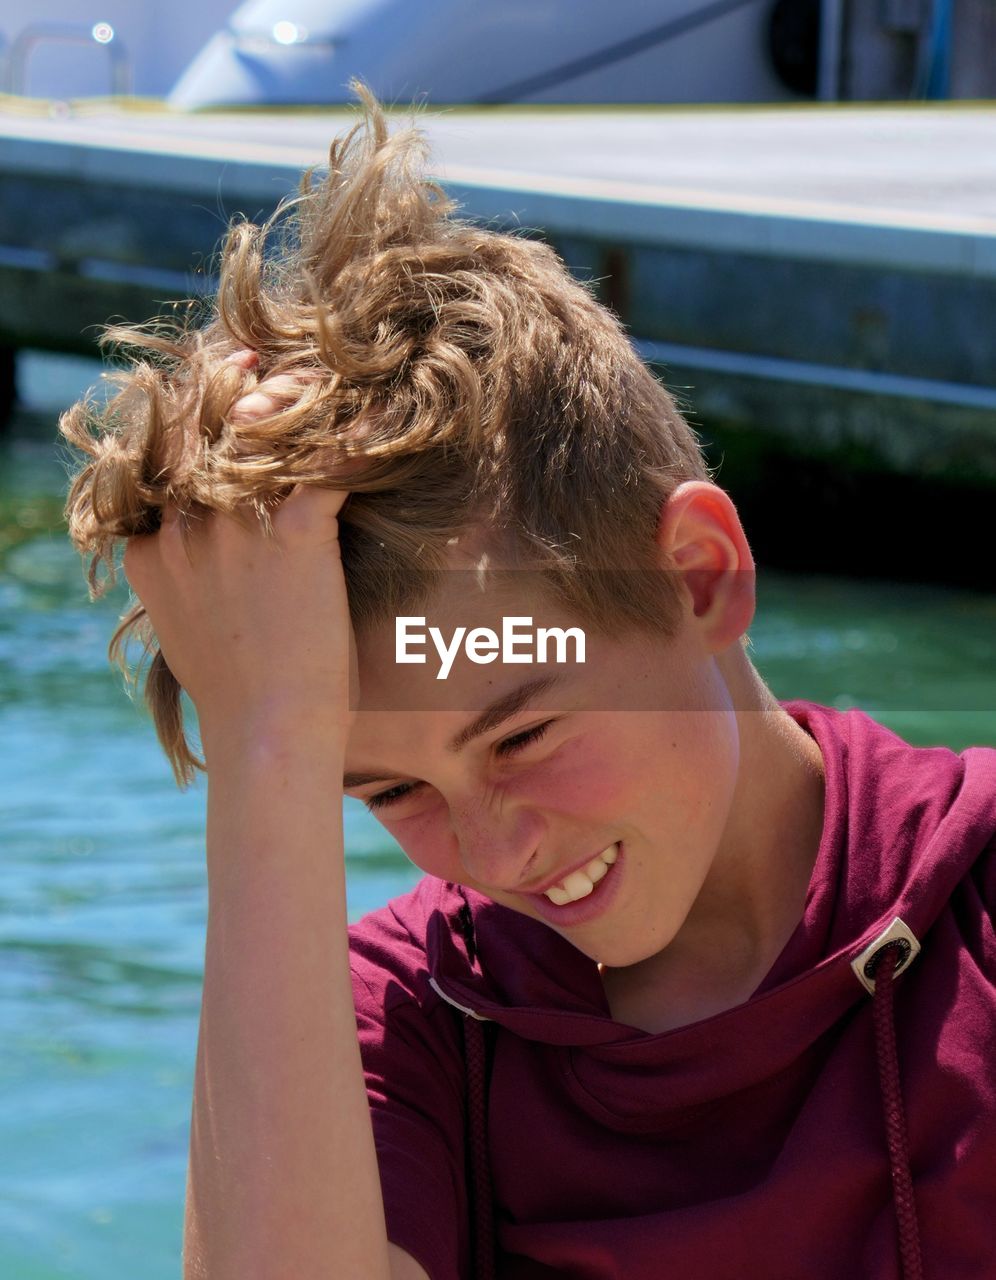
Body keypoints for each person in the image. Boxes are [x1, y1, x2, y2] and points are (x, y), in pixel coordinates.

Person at [61, 89, 996, 1280]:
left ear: (699, 577)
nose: (493, 853)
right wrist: (267, 746)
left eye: (522, 736)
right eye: (389, 790)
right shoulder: (402, 1028)